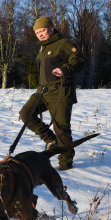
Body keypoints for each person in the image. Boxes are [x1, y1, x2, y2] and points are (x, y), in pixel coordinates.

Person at [19, 16, 85, 170]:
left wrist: (65, 70)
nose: (40, 34)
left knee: (61, 128)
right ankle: (50, 140)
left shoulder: (63, 43)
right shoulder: (43, 47)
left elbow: (79, 59)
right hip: (43, 91)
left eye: (42, 30)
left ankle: (65, 163)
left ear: (51, 28)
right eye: (37, 32)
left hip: (60, 92)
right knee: (26, 114)